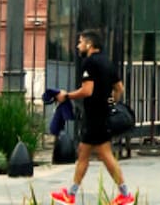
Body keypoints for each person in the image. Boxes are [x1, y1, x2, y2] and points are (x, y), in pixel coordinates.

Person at [50, 29, 135, 205]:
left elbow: (87, 90)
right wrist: (111, 103)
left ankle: (125, 194)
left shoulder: (90, 62)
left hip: (95, 116)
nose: (78, 46)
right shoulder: (107, 61)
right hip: (101, 114)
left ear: (89, 44)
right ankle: (72, 194)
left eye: (80, 42)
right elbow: (119, 88)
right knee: (84, 152)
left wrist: (66, 96)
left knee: (103, 154)